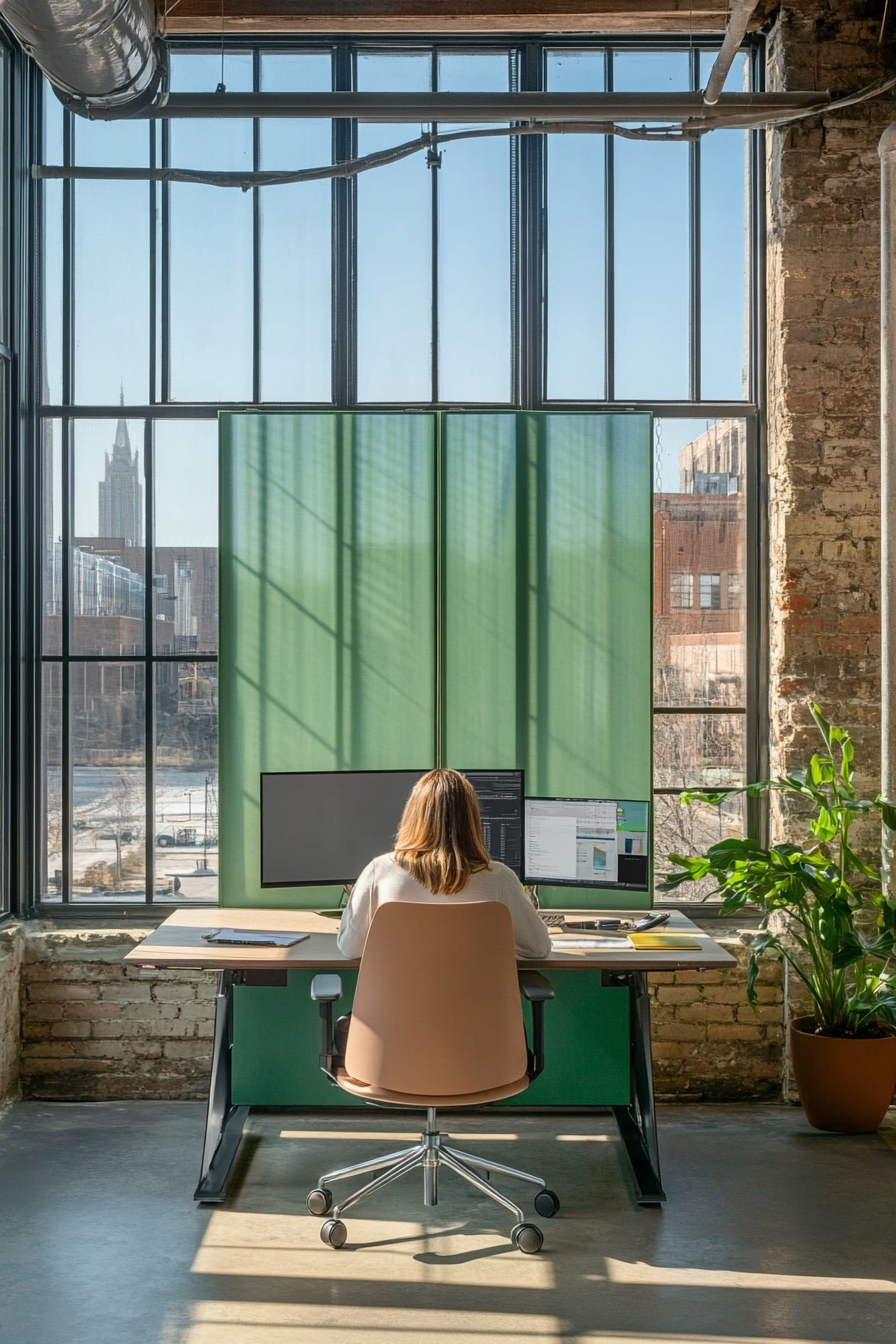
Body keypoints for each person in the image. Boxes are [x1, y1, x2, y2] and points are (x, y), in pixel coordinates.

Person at [336, 768, 552, 960]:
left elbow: (350, 948)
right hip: (478, 1005)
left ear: (411, 815)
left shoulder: (380, 872)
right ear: (472, 819)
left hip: (398, 1006)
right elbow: (539, 949)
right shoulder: (499, 878)